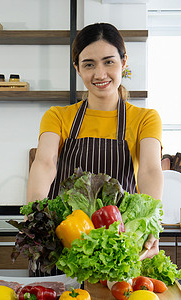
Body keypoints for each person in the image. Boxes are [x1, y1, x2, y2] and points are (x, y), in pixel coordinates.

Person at [27, 23, 163, 261]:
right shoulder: (58, 116)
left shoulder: (145, 118)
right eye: (89, 64)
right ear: (77, 69)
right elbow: (44, 163)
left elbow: (150, 170)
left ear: (124, 62)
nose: (100, 74)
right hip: (65, 242)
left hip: (121, 245)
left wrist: (150, 224)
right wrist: (35, 218)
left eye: (108, 61)